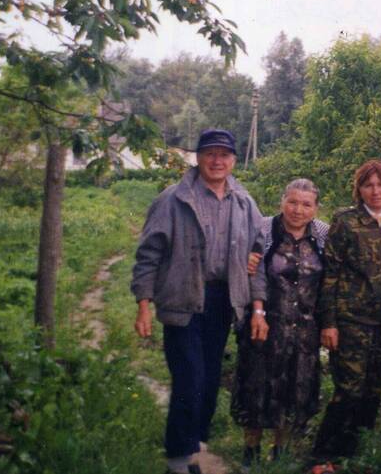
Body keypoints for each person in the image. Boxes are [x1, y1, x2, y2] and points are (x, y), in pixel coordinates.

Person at [131, 129, 263, 474]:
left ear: (234, 161)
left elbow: (259, 245)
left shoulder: (244, 202)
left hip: (223, 302)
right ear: (198, 157)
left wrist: (253, 261)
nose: (217, 161)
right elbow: (148, 255)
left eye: (224, 155)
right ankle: (177, 461)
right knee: (188, 378)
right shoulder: (173, 199)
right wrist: (143, 304)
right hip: (183, 297)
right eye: (210, 154)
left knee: (208, 380)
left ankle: (192, 446)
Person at [311, 159, 381, 460]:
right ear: (359, 189)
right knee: (348, 389)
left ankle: (355, 453)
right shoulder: (345, 222)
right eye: (368, 184)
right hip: (350, 320)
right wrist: (329, 323)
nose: (376, 191)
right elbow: (330, 275)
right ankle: (323, 456)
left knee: (373, 390)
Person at [231, 179, 329, 467]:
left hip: (305, 329)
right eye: (293, 202)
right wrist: (257, 312)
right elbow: (252, 271)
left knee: (294, 390)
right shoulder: (263, 228)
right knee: (257, 388)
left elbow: (331, 278)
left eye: (306, 204)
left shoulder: (323, 234)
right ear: (282, 202)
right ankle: (251, 450)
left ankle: (280, 451)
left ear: (315, 208)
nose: (298, 210)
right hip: (264, 325)